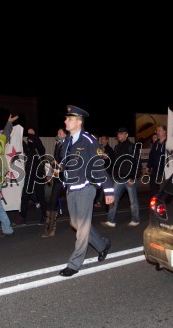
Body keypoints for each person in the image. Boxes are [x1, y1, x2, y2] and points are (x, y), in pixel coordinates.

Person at [58, 105, 115, 277]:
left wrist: (108, 190)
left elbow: (98, 166)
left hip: (86, 188)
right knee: (77, 225)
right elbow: (65, 163)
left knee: (82, 228)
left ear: (78, 121)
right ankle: (102, 245)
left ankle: (74, 264)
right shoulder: (67, 142)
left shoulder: (89, 141)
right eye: (66, 118)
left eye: (69, 118)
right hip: (71, 188)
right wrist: (59, 170)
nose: (65, 121)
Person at [102, 127, 141, 228]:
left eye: (121, 133)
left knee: (133, 201)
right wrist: (108, 158)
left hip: (129, 178)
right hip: (119, 178)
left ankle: (135, 220)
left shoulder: (132, 147)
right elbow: (115, 162)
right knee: (113, 198)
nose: (119, 135)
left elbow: (137, 163)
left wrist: (132, 177)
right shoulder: (117, 147)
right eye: (118, 134)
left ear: (126, 135)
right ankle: (111, 221)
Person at [16, 128, 47, 225]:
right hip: (29, 174)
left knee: (40, 195)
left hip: (38, 174)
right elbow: (24, 148)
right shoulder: (29, 150)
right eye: (28, 139)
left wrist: (34, 135)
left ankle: (44, 215)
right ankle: (22, 217)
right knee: (25, 196)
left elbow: (42, 148)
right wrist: (19, 140)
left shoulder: (39, 151)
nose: (29, 140)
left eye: (31, 139)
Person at [42, 127, 66, 238]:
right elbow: (54, 161)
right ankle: (51, 228)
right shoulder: (58, 144)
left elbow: (69, 161)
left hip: (66, 177)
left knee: (55, 201)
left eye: (60, 132)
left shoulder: (68, 145)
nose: (58, 134)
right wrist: (50, 174)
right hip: (58, 176)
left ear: (65, 135)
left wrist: (60, 166)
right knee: (53, 201)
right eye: (58, 132)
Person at [93, 135, 115, 209]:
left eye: (103, 139)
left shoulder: (109, 149)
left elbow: (111, 160)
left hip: (107, 171)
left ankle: (105, 202)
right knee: (99, 187)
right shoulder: (98, 148)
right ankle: (98, 200)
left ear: (107, 140)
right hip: (99, 170)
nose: (101, 140)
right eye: (101, 139)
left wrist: (106, 157)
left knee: (105, 186)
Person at [146, 125, 167, 196]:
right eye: (157, 131)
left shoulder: (169, 143)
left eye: (159, 130)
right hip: (155, 170)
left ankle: (163, 203)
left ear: (164, 132)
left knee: (163, 187)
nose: (157, 132)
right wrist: (148, 166)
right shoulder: (155, 143)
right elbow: (151, 155)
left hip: (165, 171)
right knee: (153, 186)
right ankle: (155, 202)